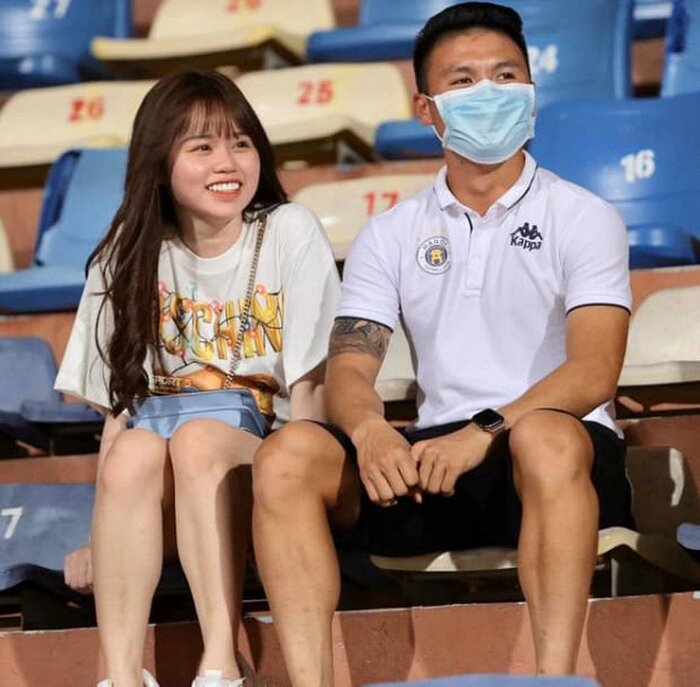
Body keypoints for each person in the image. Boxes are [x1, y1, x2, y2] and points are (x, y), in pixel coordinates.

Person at [252, 2, 635, 683]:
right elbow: (349, 369)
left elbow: (594, 372)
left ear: (531, 92)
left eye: (506, 76)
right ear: (427, 110)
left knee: (544, 437)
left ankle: (556, 679)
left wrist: (483, 430)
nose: (489, 93)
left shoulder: (585, 215)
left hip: (553, 452)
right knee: (288, 454)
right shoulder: (389, 234)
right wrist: (371, 431)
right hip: (433, 462)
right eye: (463, 80)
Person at [56, 70, 340, 687]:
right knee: (134, 450)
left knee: (199, 439)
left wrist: (295, 499)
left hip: (270, 454)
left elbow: (311, 391)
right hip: (163, 473)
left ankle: (221, 662)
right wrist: (99, 537)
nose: (227, 162)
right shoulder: (126, 254)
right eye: (202, 147)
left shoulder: (288, 230)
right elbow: (118, 414)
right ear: (160, 166)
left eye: (241, 143)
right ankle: (121, 676)